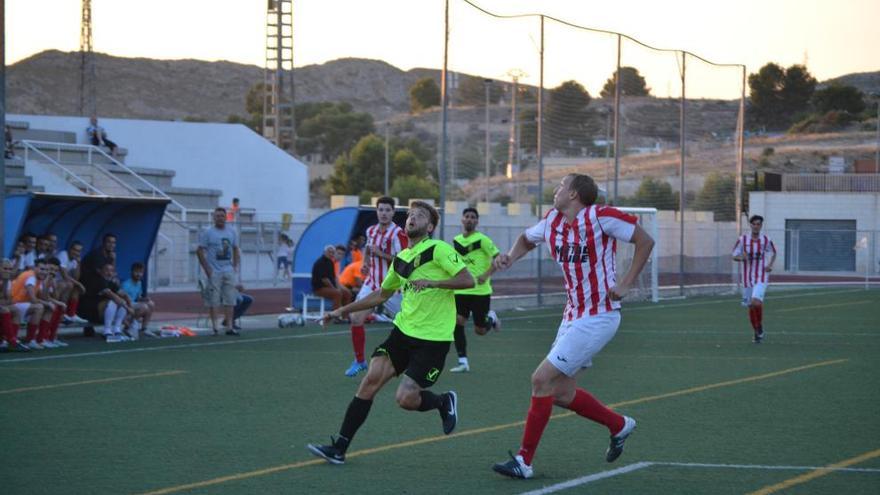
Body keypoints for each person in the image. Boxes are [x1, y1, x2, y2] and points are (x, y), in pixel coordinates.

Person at [490, 174, 655, 480]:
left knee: (540, 379)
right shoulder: (552, 221)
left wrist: (626, 283)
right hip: (572, 316)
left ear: (575, 194)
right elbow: (527, 239)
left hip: (599, 316)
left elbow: (645, 241)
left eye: (561, 186)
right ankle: (619, 425)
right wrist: (510, 257)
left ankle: (524, 461)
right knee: (560, 392)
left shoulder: (601, 217)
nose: (556, 191)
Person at [307, 201, 474, 465]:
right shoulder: (401, 259)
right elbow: (381, 294)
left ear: (430, 226)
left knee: (406, 399)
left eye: (419, 216)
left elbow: (468, 279)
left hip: (433, 339)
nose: (412, 218)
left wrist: (434, 282)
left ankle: (443, 402)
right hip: (403, 332)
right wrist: (340, 311)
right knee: (370, 380)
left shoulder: (439, 249)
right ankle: (339, 448)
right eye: (409, 215)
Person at [345, 197, 408, 377]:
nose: (384, 213)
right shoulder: (371, 230)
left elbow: (403, 260)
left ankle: (412, 359)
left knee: (406, 326)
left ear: (393, 213)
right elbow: (368, 249)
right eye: (381, 210)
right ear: (377, 211)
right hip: (372, 283)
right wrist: (365, 263)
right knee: (356, 318)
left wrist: (380, 254)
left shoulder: (398, 233)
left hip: (392, 288)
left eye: (388, 210)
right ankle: (359, 361)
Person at [449, 207, 501, 373]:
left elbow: (498, 259)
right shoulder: (456, 241)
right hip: (461, 290)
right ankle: (463, 361)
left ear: (477, 221)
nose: (470, 219)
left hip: (480, 291)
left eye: (473, 217)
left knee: (479, 330)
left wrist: (486, 274)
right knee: (457, 322)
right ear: (462, 220)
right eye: (467, 217)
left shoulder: (483, 240)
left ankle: (491, 319)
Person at [732, 214, 777, 343]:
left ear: (761, 226)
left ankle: (759, 329)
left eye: (759, 224)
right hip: (747, 277)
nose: (756, 226)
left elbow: (774, 252)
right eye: (754, 224)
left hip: (761, 275)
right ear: (750, 225)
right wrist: (742, 258)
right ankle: (757, 330)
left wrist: (769, 265)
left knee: (755, 302)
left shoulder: (766, 240)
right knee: (751, 306)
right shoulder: (742, 240)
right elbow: (734, 255)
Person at [197, 207, 241, 336]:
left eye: (222, 216)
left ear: (226, 217)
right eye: (217, 216)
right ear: (214, 218)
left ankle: (229, 326)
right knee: (214, 300)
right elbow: (199, 250)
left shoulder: (232, 232)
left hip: (228, 270)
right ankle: (215, 327)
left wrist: (235, 266)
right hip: (214, 271)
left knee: (230, 299)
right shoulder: (208, 233)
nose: (220, 218)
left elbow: (235, 248)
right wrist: (207, 268)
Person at [78, 262, 131, 343]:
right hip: (89, 313)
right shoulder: (98, 281)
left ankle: (117, 331)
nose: (109, 273)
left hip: (102, 312)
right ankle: (107, 332)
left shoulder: (111, 282)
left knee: (121, 301)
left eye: (111, 271)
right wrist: (128, 309)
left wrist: (129, 305)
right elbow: (112, 295)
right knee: (113, 302)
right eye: (107, 270)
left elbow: (124, 294)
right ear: (100, 271)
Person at [312, 245, 352, 311]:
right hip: (320, 288)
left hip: (329, 287)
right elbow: (325, 279)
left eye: (332, 252)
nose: (331, 254)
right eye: (338, 253)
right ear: (324, 252)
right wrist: (335, 288)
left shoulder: (331, 262)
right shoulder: (320, 262)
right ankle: (335, 316)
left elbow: (334, 278)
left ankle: (345, 316)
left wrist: (340, 288)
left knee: (347, 293)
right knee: (337, 293)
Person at [0, 258, 29, 352]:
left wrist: (4, 282)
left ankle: (11, 340)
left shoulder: (6, 280)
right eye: (5, 268)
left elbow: (8, 299)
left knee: (15, 310)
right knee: (5, 310)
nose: (7, 271)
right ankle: (11, 341)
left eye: (9, 269)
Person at [120, 262, 155, 339]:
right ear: (131, 272)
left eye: (141, 272)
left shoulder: (139, 283)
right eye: (136, 272)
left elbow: (138, 297)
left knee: (151, 304)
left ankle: (144, 328)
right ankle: (130, 327)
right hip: (125, 306)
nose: (139, 274)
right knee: (144, 307)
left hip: (134, 304)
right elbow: (122, 298)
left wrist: (144, 299)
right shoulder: (126, 284)